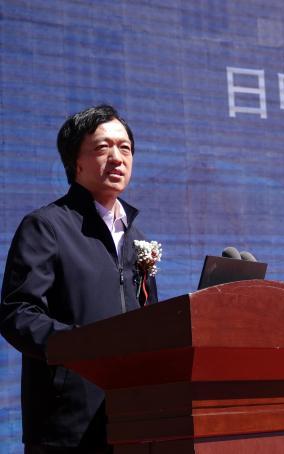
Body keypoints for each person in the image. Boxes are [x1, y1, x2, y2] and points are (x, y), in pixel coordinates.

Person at [0, 105, 158, 453]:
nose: (117, 158)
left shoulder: (139, 240)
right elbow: (18, 313)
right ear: (75, 161)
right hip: (67, 426)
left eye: (125, 148)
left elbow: (150, 321)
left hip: (132, 420)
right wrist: (85, 347)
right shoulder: (46, 226)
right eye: (103, 148)